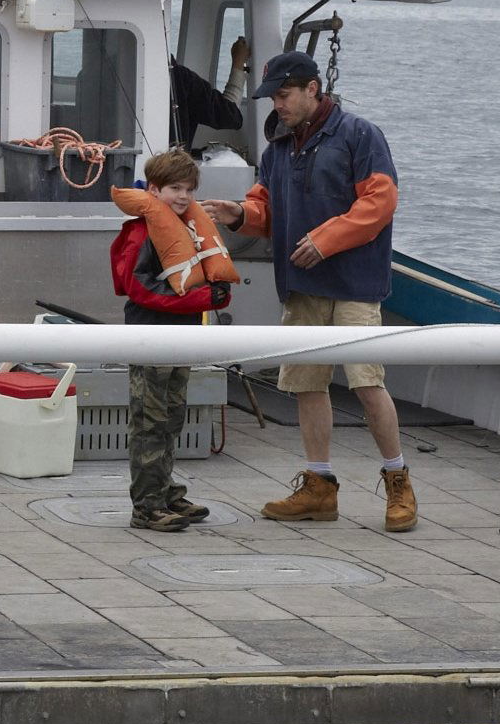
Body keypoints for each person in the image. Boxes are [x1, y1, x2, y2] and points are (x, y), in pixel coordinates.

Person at [204, 49, 419, 532]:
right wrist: (240, 214)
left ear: (311, 89)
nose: (276, 106)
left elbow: (380, 203)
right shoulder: (277, 148)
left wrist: (324, 241)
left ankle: (398, 478)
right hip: (301, 286)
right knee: (305, 383)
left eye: (283, 96)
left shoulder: (361, 135)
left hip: (356, 285)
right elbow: (266, 210)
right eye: (272, 98)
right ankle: (319, 487)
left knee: (367, 381)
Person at [107, 149, 231, 531]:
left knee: (172, 415)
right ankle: (146, 505)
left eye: (190, 190)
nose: (183, 197)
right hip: (150, 335)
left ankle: (163, 489)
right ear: (154, 189)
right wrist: (205, 298)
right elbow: (140, 289)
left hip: (181, 336)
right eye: (175, 188)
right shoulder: (143, 232)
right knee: (149, 421)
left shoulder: (186, 228)